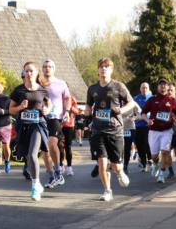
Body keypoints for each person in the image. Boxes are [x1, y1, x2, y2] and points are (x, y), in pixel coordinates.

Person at [85, 58, 138, 201]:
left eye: (106, 67)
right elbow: (89, 105)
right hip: (98, 129)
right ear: (98, 70)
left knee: (116, 166)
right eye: (101, 67)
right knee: (102, 162)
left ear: (111, 70)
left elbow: (131, 103)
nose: (103, 69)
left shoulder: (118, 86)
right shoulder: (92, 89)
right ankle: (107, 190)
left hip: (115, 130)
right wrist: (87, 110)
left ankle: (120, 173)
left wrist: (121, 110)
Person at [9, 62, 51, 201]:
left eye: (31, 71)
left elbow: (49, 104)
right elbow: (11, 110)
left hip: (38, 125)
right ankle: (37, 182)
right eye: (26, 71)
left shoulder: (42, 90)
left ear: (36, 72)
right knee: (28, 156)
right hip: (24, 126)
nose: (28, 73)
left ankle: (34, 187)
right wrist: (20, 107)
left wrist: (47, 109)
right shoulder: (18, 90)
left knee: (33, 154)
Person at [142, 79, 176, 184]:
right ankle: (155, 163)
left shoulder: (172, 100)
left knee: (165, 152)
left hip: (167, 130)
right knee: (154, 156)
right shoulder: (152, 100)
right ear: (157, 87)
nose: (163, 86)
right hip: (154, 131)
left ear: (168, 87)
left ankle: (161, 174)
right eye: (161, 84)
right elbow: (143, 113)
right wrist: (147, 120)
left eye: (165, 85)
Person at [38, 60, 70, 189]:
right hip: (40, 117)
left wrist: (67, 111)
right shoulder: (38, 83)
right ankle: (53, 176)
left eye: (50, 66)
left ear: (54, 68)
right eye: (45, 67)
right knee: (45, 149)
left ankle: (58, 170)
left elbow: (67, 98)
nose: (47, 69)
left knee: (52, 143)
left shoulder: (61, 83)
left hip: (55, 117)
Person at [132, 81, 152, 172]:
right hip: (137, 125)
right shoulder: (136, 98)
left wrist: (146, 117)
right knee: (139, 145)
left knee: (147, 144)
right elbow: (132, 111)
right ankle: (143, 164)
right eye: (143, 88)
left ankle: (150, 160)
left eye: (146, 88)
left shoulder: (152, 98)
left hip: (147, 125)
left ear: (148, 89)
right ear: (140, 89)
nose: (144, 89)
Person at [61, 95, 79, 176]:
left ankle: (69, 167)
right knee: (60, 146)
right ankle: (60, 166)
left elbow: (77, 111)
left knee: (68, 146)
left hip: (69, 125)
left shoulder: (72, 98)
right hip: (59, 124)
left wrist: (70, 107)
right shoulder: (57, 97)